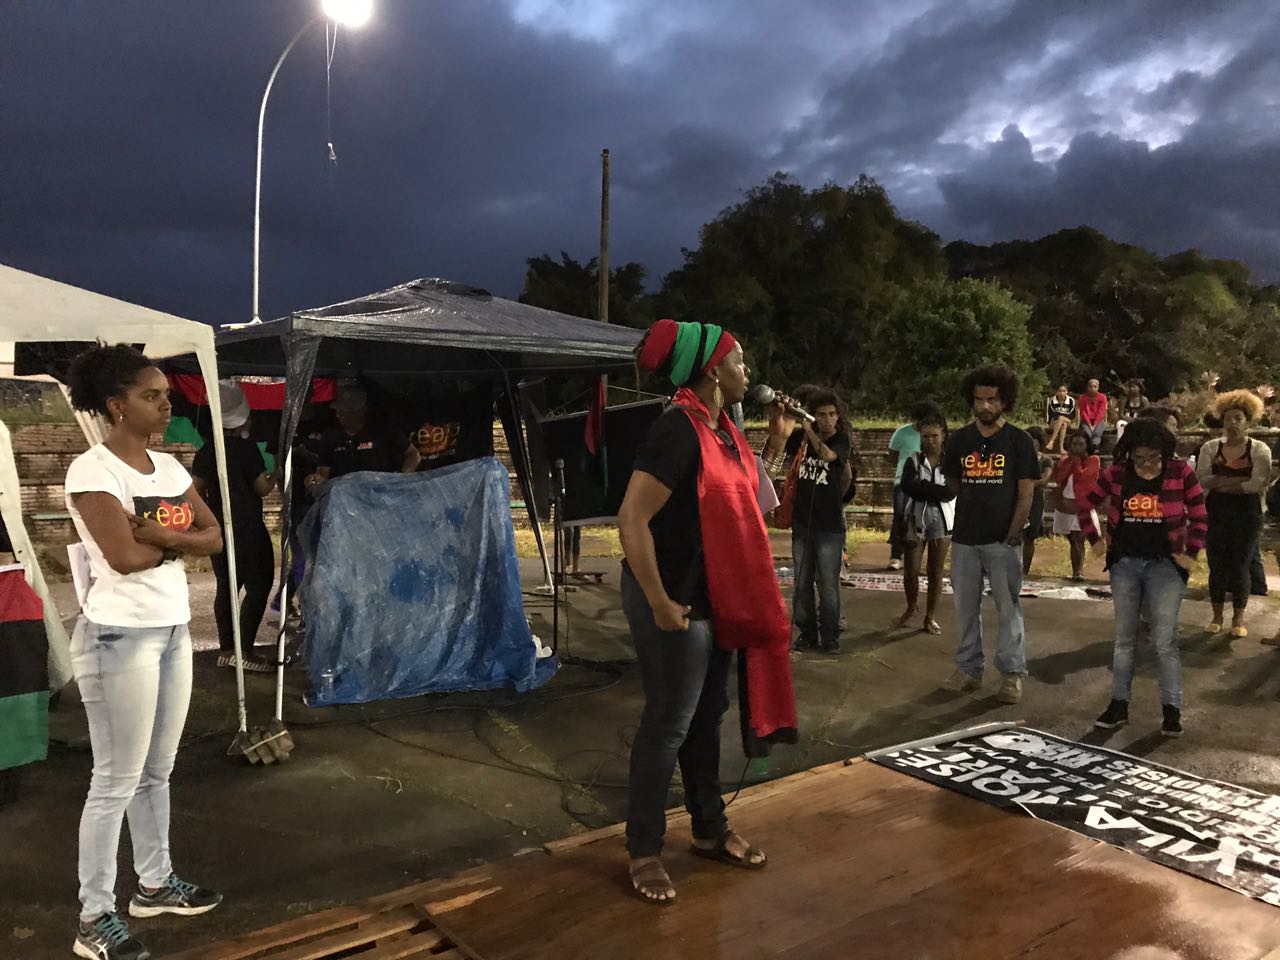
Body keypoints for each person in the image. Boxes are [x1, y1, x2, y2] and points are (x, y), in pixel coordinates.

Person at [618, 318, 796, 905]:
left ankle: (708, 829)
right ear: (712, 371)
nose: (748, 370)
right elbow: (632, 519)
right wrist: (659, 602)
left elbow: (747, 505)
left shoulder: (723, 432)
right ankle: (644, 849)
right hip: (672, 594)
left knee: (706, 715)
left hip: (714, 595)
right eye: (739, 360)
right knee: (669, 721)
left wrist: (776, 444)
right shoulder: (677, 430)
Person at [64, 345, 224, 960]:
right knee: (115, 781)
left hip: (173, 630)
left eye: (166, 396)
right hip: (119, 638)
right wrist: (177, 541)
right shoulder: (94, 471)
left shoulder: (168, 469)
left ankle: (154, 885)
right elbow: (123, 558)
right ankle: (93, 918)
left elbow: (215, 535)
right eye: (151, 396)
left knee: (157, 771)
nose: (166, 405)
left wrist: (160, 533)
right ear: (116, 405)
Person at [1076, 418, 1207, 737]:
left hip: (1166, 566)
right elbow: (1085, 504)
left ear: (1165, 452)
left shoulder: (1180, 472)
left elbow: (1200, 514)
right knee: (1124, 639)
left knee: (1164, 640)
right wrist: (1094, 539)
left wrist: (1191, 553)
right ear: (1129, 452)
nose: (1146, 464)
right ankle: (1118, 704)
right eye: (1139, 458)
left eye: (1153, 457)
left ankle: (1171, 709)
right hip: (1125, 564)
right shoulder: (1117, 473)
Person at [941, 366, 1039, 704]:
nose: (984, 406)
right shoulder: (960, 440)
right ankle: (968, 668)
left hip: (1003, 540)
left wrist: (1013, 533)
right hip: (965, 539)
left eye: (992, 399)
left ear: (1005, 401)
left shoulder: (1019, 441)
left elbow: (1026, 492)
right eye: (979, 399)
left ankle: (1012, 674)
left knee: (1008, 609)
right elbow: (952, 483)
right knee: (965, 609)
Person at [191, 381, 276, 673]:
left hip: (218, 529)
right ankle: (245, 650)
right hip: (248, 527)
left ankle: (227, 649)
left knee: (227, 586)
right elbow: (262, 488)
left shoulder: (207, 451)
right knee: (259, 585)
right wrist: (275, 473)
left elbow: (195, 489)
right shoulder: (246, 449)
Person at [1197, 390, 1272, 638]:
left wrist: (1221, 482)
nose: (1232, 423)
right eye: (1228, 418)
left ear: (1248, 421)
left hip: (1247, 513)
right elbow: (1202, 479)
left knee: (1241, 565)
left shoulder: (1259, 448)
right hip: (1216, 511)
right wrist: (1238, 480)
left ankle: (1238, 620)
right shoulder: (1210, 447)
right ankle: (1216, 617)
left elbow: (1257, 483)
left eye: (1238, 418)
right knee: (1216, 565)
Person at [783, 389, 852, 653]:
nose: (827, 419)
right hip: (802, 521)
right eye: (821, 414)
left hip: (830, 525)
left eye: (832, 414)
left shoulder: (841, 439)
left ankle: (830, 636)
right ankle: (807, 632)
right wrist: (784, 415)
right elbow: (779, 440)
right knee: (802, 582)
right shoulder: (801, 439)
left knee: (828, 584)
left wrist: (810, 431)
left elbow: (828, 456)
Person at [896, 411, 954, 634]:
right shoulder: (914, 459)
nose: (930, 440)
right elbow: (907, 486)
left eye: (934, 436)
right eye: (925, 436)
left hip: (943, 519)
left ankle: (930, 616)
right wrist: (935, 491)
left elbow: (951, 492)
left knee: (935, 571)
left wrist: (924, 489)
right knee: (911, 570)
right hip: (916, 518)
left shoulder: (951, 461)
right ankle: (912, 606)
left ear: (943, 435)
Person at [303, 385, 420, 493]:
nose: (339, 415)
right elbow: (323, 471)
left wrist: (400, 478)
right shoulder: (331, 435)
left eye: (346, 411)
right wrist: (316, 480)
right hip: (345, 498)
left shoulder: (384, 429)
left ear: (361, 411)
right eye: (338, 411)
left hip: (381, 493)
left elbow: (413, 454)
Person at [886, 402, 940, 571]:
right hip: (902, 482)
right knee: (900, 516)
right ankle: (896, 555)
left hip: (926, 482)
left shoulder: (932, 435)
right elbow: (892, 456)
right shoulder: (901, 433)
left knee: (924, 519)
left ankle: (920, 559)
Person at [1052, 430, 1102, 582]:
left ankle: (1078, 572)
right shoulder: (1065, 461)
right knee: (1073, 540)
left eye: (1081, 444)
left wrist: (1076, 462)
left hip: (1082, 505)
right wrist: (1069, 462)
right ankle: (1077, 570)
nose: (1077, 447)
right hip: (1066, 502)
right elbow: (1060, 478)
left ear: (1087, 445)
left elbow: (1082, 476)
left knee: (1078, 538)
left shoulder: (1094, 460)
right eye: (1074, 444)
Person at [1022, 426, 1056, 575]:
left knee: (1029, 537)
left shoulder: (1046, 460)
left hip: (1035, 501)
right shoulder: (1017, 459)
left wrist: (1024, 484)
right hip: (1017, 499)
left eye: (1034, 444)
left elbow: (1044, 480)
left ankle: (1025, 570)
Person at [1044, 385, 1077, 453]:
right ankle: (1061, 448)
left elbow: (1071, 415)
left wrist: (1060, 415)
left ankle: (1051, 441)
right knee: (1063, 424)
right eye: (1060, 391)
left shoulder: (1071, 401)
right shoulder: (1052, 400)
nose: (1062, 393)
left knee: (1061, 418)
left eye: (1064, 391)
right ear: (1057, 392)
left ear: (1067, 392)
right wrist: (1060, 416)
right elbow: (1052, 414)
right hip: (1054, 421)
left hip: (1068, 420)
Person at [1078, 379, 1109, 453]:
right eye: (1091, 386)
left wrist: (1094, 424)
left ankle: (1094, 447)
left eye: (1095, 387)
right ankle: (1088, 448)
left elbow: (1101, 412)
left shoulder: (1102, 397)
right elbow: (1083, 412)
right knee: (1087, 433)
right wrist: (1089, 424)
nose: (1092, 388)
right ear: (1087, 387)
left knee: (1096, 433)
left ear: (1098, 387)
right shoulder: (1082, 397)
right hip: (1086, 420)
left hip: (1098, 420)